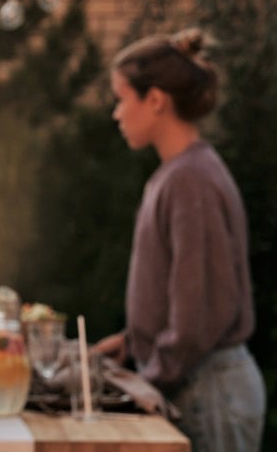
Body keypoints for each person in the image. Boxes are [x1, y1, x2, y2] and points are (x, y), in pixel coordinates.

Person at [94, 28, 265, 452]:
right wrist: (133, 343)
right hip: (198, 387)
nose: (116, 113)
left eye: (121, 98)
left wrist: (147, 381)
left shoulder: (191, 181)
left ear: (155, 100)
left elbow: (198, 311)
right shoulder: (177, 175)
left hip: (210, 394)